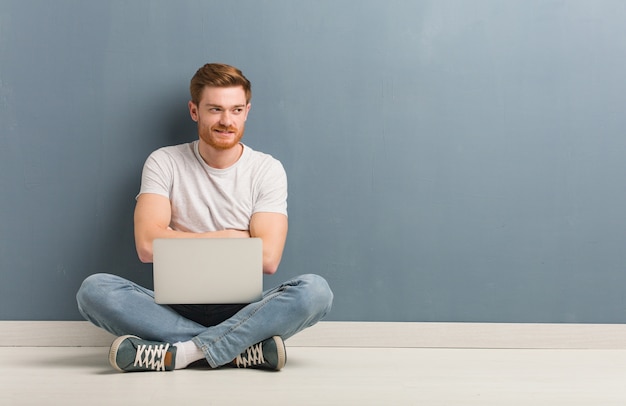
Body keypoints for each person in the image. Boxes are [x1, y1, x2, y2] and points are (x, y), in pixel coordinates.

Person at [76, 63, 333, 372]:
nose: (227, 121)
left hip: (245, 309)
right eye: (215, 109)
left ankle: (181, 353)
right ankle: (238, 351)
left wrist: (173, 237)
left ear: (247, 111)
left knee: (315, 292)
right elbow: (146, 245)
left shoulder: (267, 169)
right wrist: (230, 237)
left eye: (236, 110)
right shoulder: (164, 162)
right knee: (95, 291)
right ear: (194, 111)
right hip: (171, 306)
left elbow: (267, 258)